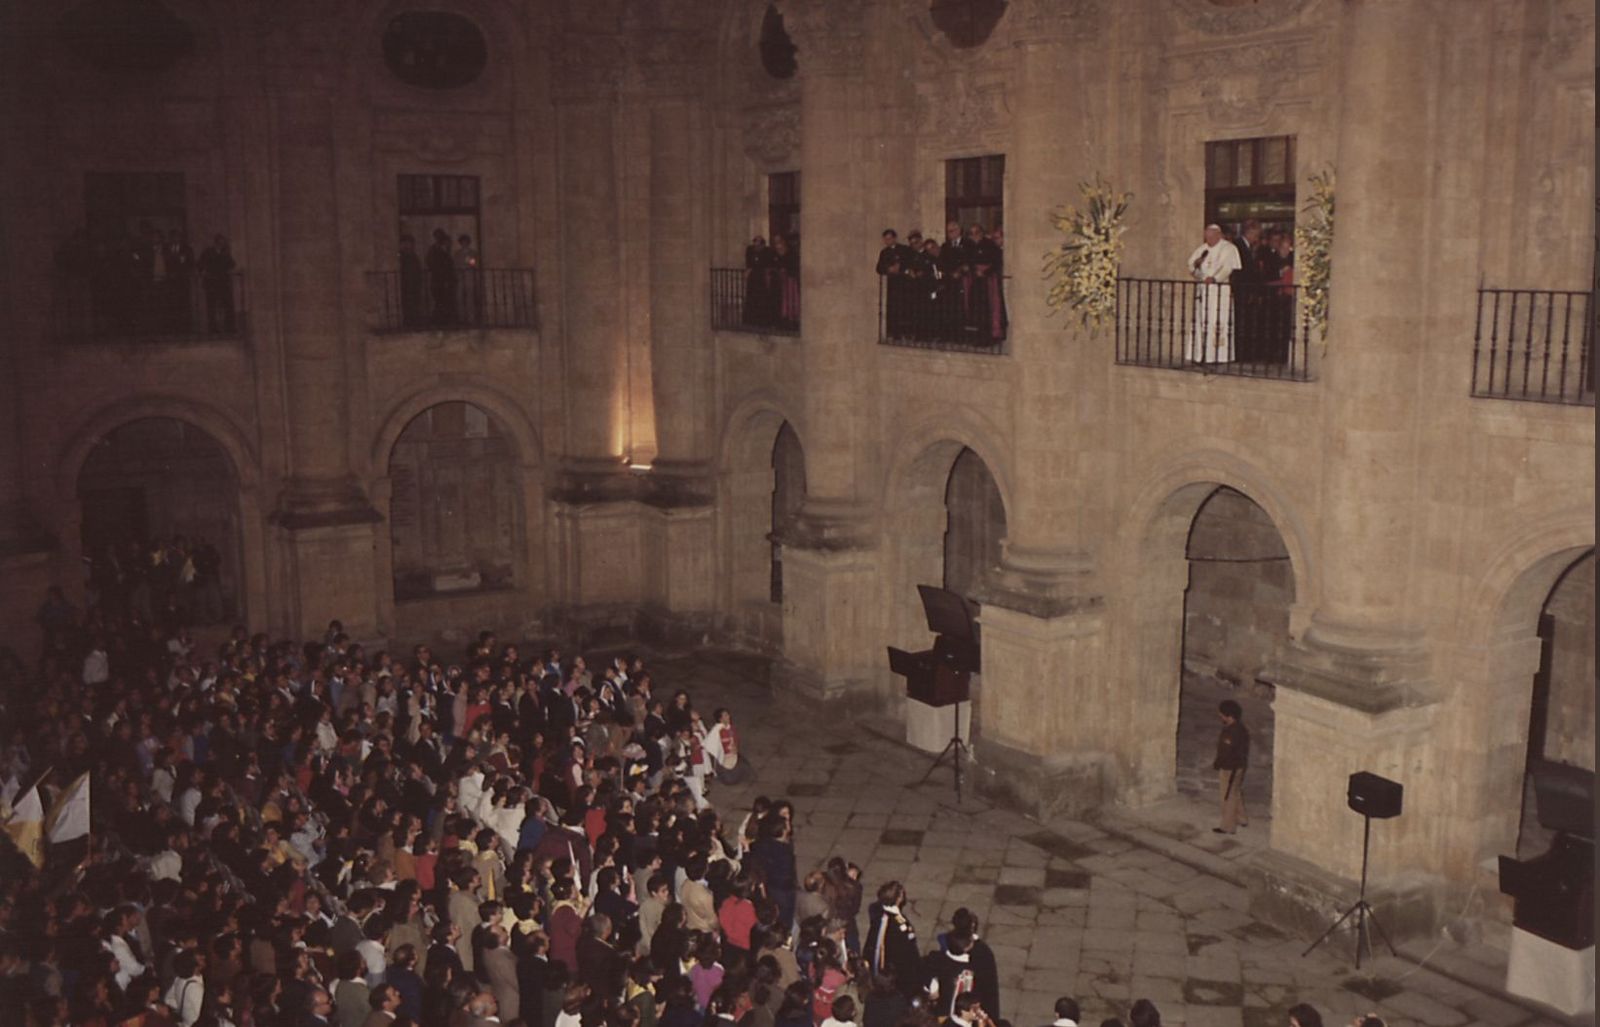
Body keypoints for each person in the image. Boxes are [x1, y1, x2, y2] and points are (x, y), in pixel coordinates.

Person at [1185, 224, 1242, 364]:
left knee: (1217, 322)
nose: (1208, 240)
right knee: (1201, 321)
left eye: (1211, 236)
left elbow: (1227, 268)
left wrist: (1215, 279)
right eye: (1206, 237)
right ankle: (1199, 354)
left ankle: (1218, 356)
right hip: (1203, 290)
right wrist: (1198, 271)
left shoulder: (1228, 248)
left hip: (1219, 291)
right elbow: (1191, 265)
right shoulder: (1203, 249)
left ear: (1219, 235)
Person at [862, 883, 918, 996]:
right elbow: (909, 952)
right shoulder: (901, 925)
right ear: (898, 899)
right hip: (895, 963)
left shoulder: (876, 910)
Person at [1213, 699, 1250, 834]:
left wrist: (1217, 763)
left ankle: (1227, 826)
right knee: (1235, 791)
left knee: (1228, 796)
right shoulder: (1241, 729)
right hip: (1239, 766)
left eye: (1222, 714)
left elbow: (1225, 752)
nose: (1220, 716)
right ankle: (1242, 818)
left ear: (1229, 716)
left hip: (1229, 768)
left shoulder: (1230, 733)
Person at [876, 230, 914, 340]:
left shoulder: (905, 250)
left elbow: (910, 262)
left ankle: (906, 333)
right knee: (893, 309)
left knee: (905, 309)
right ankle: (894, 333)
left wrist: (900, 268)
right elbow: (879, 268)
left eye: (889, 238)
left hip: (904, 284)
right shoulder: (884, 252)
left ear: (894, 238)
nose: (887, 241)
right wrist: (889, 269)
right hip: (892, 285)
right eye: (885, 239)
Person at [198, 234, 236, 334]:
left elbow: (232, 264)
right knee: (212, 306)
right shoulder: (208, 252)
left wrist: (229, 270)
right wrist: (204, 272)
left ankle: (229, 327)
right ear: (216, 242)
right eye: (220, 242)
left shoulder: (225, 253)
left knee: (228, 305)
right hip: (211, 282)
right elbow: (200, 264)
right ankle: (213, 328)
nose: (221, 244)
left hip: (223, 283)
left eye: (223, 242)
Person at [426, 228, 457, 326]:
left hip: (445, 280)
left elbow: (449, 266)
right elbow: (432, 263)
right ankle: (439, 321)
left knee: (445, 301)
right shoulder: (434, 250)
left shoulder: (445, 252)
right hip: (439, 280)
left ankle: (443, 321)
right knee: (440, 301)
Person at [398, 235, 425, 328]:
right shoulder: (402, 256)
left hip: (414, 283)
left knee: (415, 302)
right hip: (406, 283)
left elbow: (417, 269)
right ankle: (409, 320)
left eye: (410, 243)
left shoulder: (413, 256)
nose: (409, 245)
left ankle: (414, 320)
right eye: (407, 243)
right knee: (408, 302)